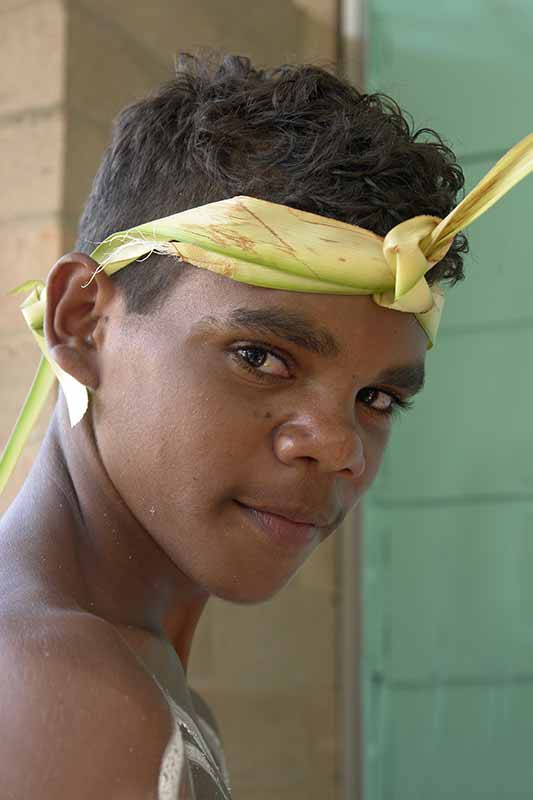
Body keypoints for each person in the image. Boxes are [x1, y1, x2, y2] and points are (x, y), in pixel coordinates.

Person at [0, 52, 473, 799]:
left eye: (377, 398)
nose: (339, 447)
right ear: (83, 321)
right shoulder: (63, 696)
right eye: (261, 357)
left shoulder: (127, 677)